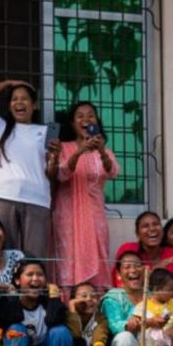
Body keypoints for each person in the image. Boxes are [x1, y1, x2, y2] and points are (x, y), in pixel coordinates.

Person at [0, 79, 57, 258]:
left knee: (35, 257)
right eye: (14, 99)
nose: (19, 102)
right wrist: (7, 83)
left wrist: (54, 160)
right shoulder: (1, 128)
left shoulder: (45, 132)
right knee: (2, 253)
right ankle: (4, 287)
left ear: (34, 105)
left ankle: (32, 287)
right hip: (4, 196)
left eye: (25, 99)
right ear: (10, 106)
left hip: (37, 200)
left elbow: (51, 174)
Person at [50, 101, 118, 290]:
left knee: (98, 253)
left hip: (95, 213)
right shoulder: (64, 148)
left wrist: (101, 150)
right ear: (72, 124)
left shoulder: (105, 151)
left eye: (90, 115)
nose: (86, 119)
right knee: (69, 257)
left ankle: (96, 307)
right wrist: (80, 151)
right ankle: (68, 305)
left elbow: (112, 172)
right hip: (68, 215)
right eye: (80, 116)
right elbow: (62, 175)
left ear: (97, 121)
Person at [113, 211, 173, 327]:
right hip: (135, 296)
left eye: (156, 224)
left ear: (162, 231)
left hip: (162, 299)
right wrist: (157, 268)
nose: (152, 229)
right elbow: (123, 283)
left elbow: (169, 289)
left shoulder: (171, 253)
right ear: (137, 233)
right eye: (145, 226)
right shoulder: (128, 249)